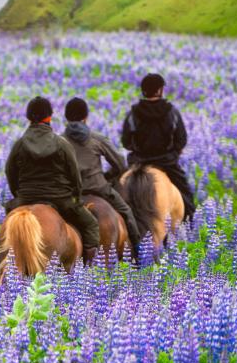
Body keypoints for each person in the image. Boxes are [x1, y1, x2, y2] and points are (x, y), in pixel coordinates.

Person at [4, 97, 100, 263]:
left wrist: (18, 195)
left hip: (26, 197)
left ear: (28, 118)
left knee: (8, 223)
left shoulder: (19, 144)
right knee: (90, 224)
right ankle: (89, 269)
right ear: (49, 117)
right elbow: (74, 175)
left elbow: (10, 171)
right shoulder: (61, 143)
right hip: (59, 198)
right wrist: (76, 196)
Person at [62, 97, 142, 251]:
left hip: (69, 193)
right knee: (126, 211)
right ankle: (138, 251)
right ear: (86, 117)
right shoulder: (97, 139)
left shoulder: (59, 140)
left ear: (66, 117)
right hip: (98, 188)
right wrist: (106, 176)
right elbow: (120, 163)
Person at [121, 73, 195, 221]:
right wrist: (174, 152)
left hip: (138, 162)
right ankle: (189, 225)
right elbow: (181, 139)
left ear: (143, 91)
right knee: (186, 196)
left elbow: (126, 142)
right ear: (160, 90)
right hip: (166, 162)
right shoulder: (171, 112)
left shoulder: (133, 113)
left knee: (116, 192)